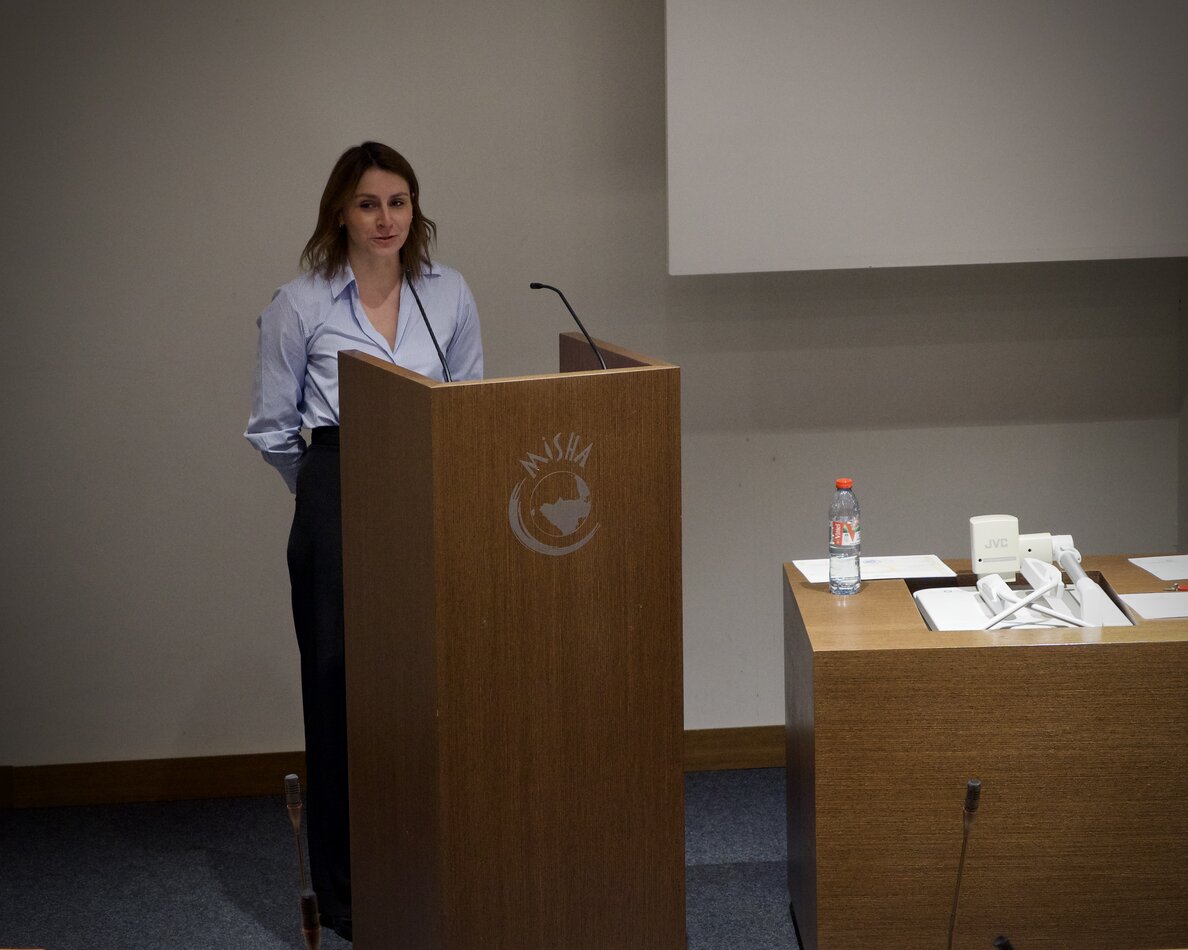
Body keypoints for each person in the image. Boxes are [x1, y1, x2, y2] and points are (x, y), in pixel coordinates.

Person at [245, 142, 483, 941]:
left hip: (430, 490)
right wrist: (328, 489)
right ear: (340, 214)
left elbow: (469, 402)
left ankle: (432, 867)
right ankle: (346, 894)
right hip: (338, 490)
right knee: (340, 693)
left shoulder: (447, 293)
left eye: (399, 202)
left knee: (431, 686)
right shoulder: (300, 302)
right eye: (368, 204)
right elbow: (274, 428)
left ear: (416, 209)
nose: (386, 219)